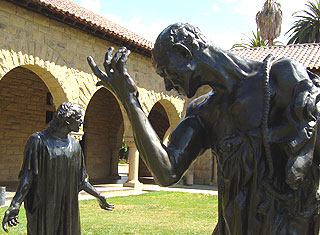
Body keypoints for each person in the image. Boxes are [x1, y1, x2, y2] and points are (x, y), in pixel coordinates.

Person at [87, 23, 320, 234]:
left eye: (166, 72)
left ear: (184, 53)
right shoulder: (203, 112)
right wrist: (130, 101)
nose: (168, 85)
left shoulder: (280, 78)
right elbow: (166, 172)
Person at [2, 101, 114, 235]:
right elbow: (27, 176)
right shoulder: (38, 141)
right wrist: (15, 204)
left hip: (67, 209)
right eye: (78, 118)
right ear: (67, 120)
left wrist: (99, 196)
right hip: (44, 208)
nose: (81, 122)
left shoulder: (75, 146)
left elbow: (82, 180)